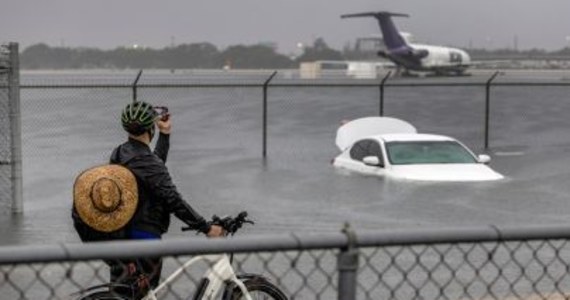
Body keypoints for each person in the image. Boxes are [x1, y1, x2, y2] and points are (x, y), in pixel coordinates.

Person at [108, 100, 224, 298]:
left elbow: (153, 169)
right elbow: (172, 199)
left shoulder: (120, 152)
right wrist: (206, 227)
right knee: (143, 295)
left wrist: (165, 134)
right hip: (144, 239)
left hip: (121, 236)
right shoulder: (147, 163)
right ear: (149, 128)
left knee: (125, 295)